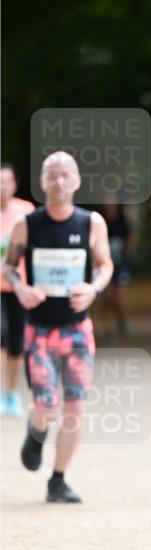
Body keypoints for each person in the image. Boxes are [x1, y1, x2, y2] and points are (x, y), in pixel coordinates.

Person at [2, 151, 113, 503]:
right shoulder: (27, 225)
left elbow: (105, 265)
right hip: (39, 330)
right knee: (47, 405)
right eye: (52, 174)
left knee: (75, 407)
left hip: (78, 330)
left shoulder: (91, 223)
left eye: (66, 175)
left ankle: (58, 480)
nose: (59, 181)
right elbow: (9, 267)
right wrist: (21, 288)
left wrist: (92, 289)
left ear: (78, 181)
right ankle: (35, 433)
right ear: (42, 182)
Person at [0, 162, 34, 416]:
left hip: (18, 287)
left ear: (14, 185)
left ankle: (11, 394)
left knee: (17, 343)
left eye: (6, 181)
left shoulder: (26, 211)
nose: (2, 186)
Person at [100, 198, 138, 341]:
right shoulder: (100, 220)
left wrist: (128, 251)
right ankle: (109, 329)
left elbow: (133, 236)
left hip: (121, 264)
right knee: (106, 297)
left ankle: (121, 320)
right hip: (104, 264)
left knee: (118, 298)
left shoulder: (124, 220)